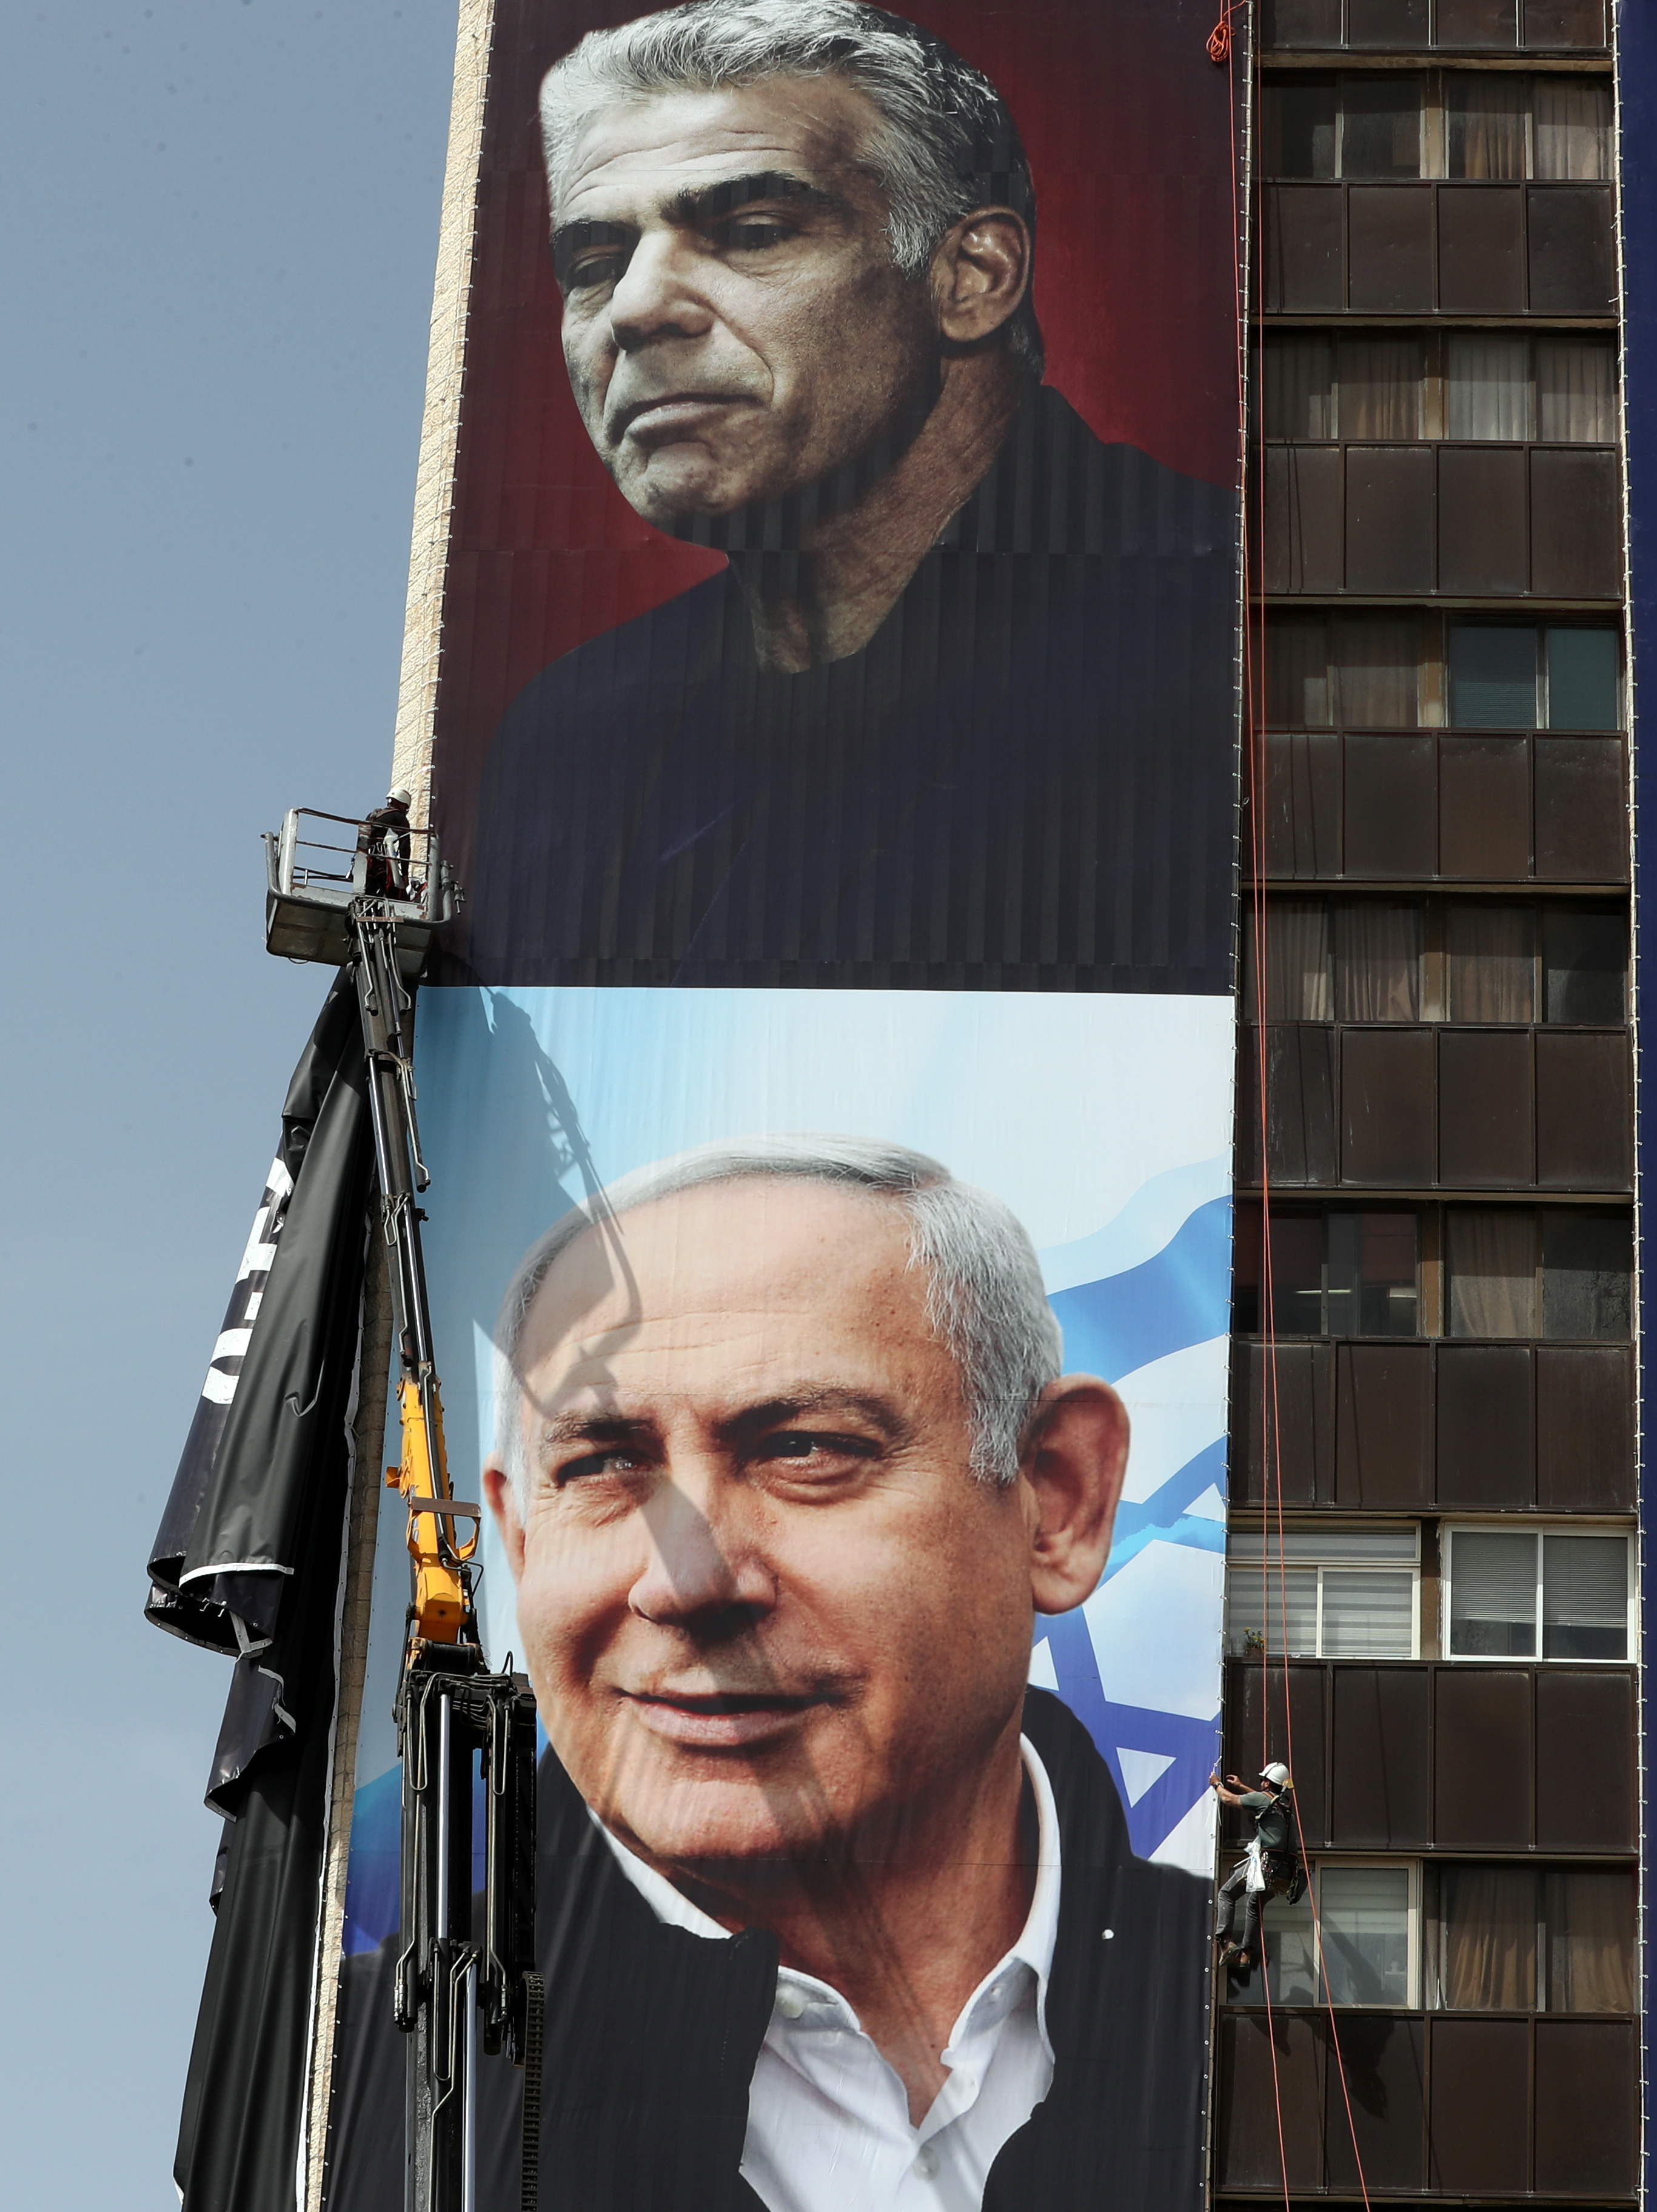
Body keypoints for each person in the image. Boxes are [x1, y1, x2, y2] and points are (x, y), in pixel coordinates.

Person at [478, 1135, 1210, 2210]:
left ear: (1056, 1499)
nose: (685, 1580)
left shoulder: (1303, 2060)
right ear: (519, 1538)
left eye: (806, 1449)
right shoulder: (365, 2092)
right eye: (601, 1466)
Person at [454, 0, 1236, 994]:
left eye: (751, 229)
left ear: (971, 276)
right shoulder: (564, 741)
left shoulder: (1227, 629)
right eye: (596, 263)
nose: (638, 309)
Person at [1210, 1764, 1303, 1982]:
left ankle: (1226, 1941)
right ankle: (1246, 1953)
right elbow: (1262, 1799)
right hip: (1286, 1873)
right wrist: (1242, 1786)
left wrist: (1217, 1784)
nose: (1261, 1783)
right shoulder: (1285, 1805)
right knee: (1255, 1905)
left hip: (1267, 1866)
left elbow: (1228, 1800)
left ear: (1268, 1783)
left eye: (1263, 1780)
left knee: (1227, 1894)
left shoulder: (1264, 1800)